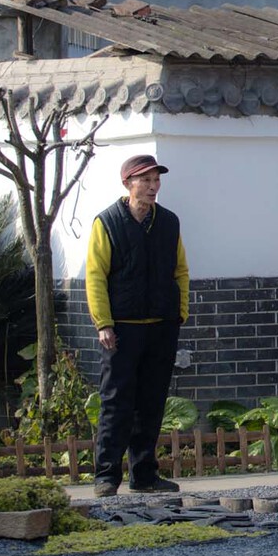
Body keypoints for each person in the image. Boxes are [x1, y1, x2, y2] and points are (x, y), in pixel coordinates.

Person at [85, 154, 191, 498]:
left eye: (156, 180)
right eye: (145, 180)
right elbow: (95, 276)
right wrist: (103, 323)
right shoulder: (107, 222)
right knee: (116, 401)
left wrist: (180, 313)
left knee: (152, 401)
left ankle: (144, 475)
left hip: (161, 325)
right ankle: (106, 476)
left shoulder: (169, 222)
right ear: (128, 184)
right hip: (121, 329)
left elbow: (180, 270)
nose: (152, 186)